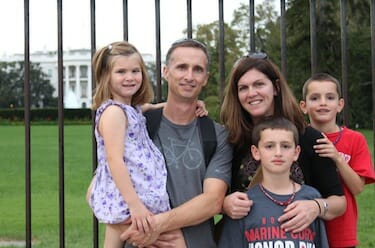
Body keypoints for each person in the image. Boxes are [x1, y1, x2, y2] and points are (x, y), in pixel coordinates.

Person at [120, 38, 233, 247]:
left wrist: (155, 226)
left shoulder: (217, 136)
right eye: (181, 67)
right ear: (165, 71)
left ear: (206, 78)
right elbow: (106, 184)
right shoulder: (140, 126)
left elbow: (212, 201)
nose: (189, 76)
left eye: (197, 70)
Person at [219, 53, 346, 234]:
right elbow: (211, 197)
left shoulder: (308, 138)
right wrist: (224, 205)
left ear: (276, 87)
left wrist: (316, 207)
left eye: (259, 84)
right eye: (243, 88)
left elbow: (339, 202)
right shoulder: (232, 140)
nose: (251, 93)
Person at [86, 41, 187, 248]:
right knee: (172, 242)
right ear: (106, 76)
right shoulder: (114, 112)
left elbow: (150, 106)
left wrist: (192, 104)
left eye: (135, 70)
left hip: (134, 192)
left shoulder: (130, 109)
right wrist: (136, 205)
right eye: (121, 71)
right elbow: (114, 160)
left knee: (115, 238)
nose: (130, 77)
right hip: (129, 196)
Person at [218, 117, 329, 248]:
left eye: (285, 146)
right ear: (256, 152)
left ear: (296, 152)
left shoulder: (311, 198)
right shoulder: (242, 204)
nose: (278, 153)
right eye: (269, 146)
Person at [299, 72, 375, 248]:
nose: (323, 103)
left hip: (341, 230)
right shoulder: (297, 139)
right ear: (303, 106)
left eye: (330, 97)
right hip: (305, 228)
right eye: (315, 98)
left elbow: (357, 188)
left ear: (340, 104)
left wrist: (337, 159)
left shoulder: (355, 139)